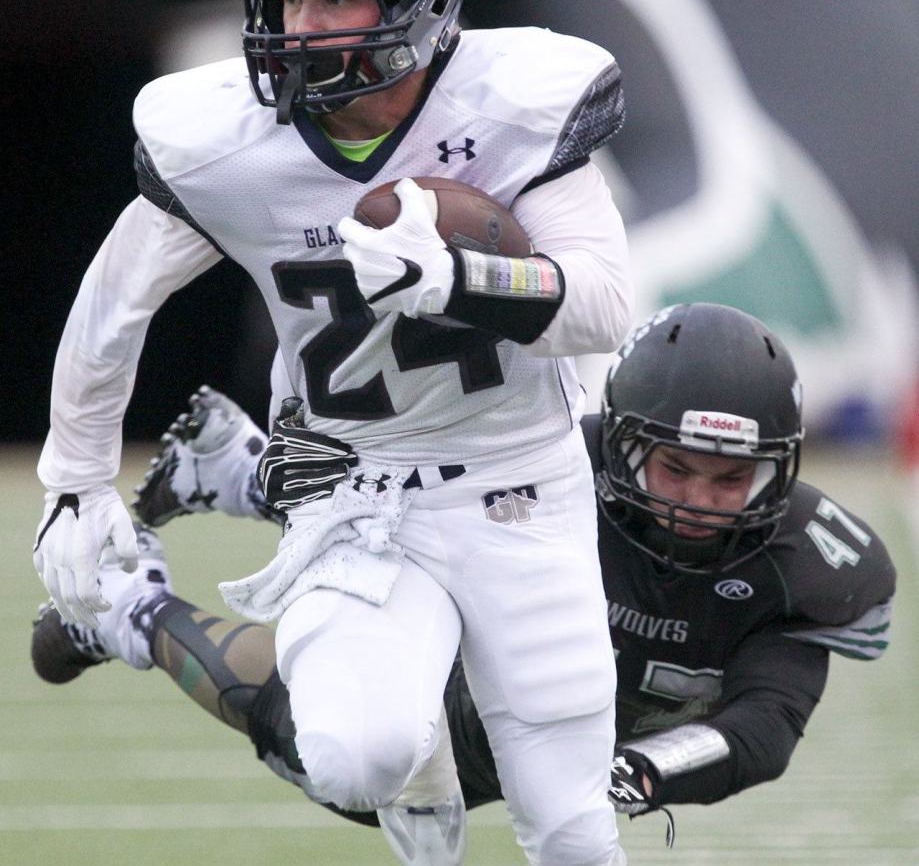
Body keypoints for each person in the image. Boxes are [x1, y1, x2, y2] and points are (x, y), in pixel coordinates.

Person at [32, 0, 633, 866]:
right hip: (352, 494)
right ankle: (407, 756)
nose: (301, 27)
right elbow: (113, 304)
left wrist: (456, 281)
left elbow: (603, 307)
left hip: (517, 482)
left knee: (570, 827)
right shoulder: (227, 138)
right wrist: (76, 480)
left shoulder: (513, 103)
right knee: (358, 758)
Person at [32, 303, 895, 853]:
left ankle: (229, 466)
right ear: (622, 444)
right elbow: (404, 492)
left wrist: (641, 769)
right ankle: (128, 605)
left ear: (776, 472)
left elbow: (762, 728)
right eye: (675, 468)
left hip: (581, 725)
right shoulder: (560, 463)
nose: (700, 500)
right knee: (340, 756)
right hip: (471, 650)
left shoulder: (807, 567)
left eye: (728, 478)